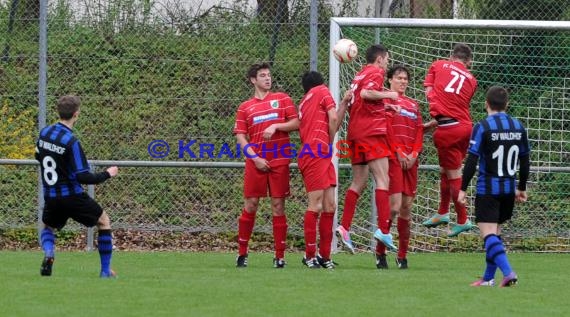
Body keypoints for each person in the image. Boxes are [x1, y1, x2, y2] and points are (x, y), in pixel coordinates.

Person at [35, 95, 119, 278]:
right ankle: (105, 271)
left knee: (47, 226)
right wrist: (108, 174)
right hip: (72, 195)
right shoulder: (71, 142)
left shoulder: (44, 134)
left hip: (51, 196)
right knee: (103, 221)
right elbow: (84, 176)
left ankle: (49, 253)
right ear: (76, 114)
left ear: (58, 112)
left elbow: (38, 156)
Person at [458, 86, 530, 287]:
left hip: (488, 190)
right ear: (507, 104)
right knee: (495, 235)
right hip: (508, 189)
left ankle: (508, 272)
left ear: (486, 104)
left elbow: (472, 160)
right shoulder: (518, 126)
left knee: (488, 234)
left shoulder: (482, 126)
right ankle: (488, 278)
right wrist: (521, 188)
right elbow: (525, 161)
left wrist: (463, 189)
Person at [335, 44, 400, 259]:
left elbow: (361, 101)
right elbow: (367, 93)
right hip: (372, 132)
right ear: (380, 59)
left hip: (355, 133)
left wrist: (384, 106)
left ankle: (344, 227)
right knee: (383, 180)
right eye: (387, 59)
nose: (387, 64)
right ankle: (383, 229)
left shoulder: (359, 74)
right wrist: (390, 95)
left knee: (359, 182)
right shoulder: (376, 72)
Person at [233, 62, 300, 268]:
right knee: (251, 204)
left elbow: (296, 123)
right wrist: (255, 159)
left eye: (269, 75)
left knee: (278, 206)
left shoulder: (282, 99)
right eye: (262, 75)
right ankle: (242, 253)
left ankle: (279, 256)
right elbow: (241, 138)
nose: (267, 78)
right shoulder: (245, 107)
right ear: (253, 80)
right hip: (256, 161)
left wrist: (276, 125)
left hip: (279, 159)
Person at [421, 43, 478, 237]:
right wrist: (436, 120)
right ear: (468, 62)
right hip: (464, 127)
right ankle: (443, 212)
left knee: (454, 176)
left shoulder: (438, 65)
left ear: (451, 56)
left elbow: (429, 91)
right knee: (445, 170)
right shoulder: (472, 80)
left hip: (448, 131)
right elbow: (454, 107)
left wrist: (434, 106)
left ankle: (463, 219)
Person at [297, 71, 351, 269]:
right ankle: (309, 255)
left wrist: (344, 102)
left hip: (318, 153)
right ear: (320, 83)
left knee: (330, 206)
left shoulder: (304, 101)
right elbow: (333, 120)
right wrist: (328, 143)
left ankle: (324, 256)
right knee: (316, 205)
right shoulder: (322, 90)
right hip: (316, 152)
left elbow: (333, 120)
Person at [375, 65, 423, 269]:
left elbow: (419, 130)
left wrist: (414, 153)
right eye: (398, 77)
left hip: (411, 160)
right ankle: (380, 252)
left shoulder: (413, 105)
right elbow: (385, 129)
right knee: (393, 208)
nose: (402, 81)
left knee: (406, 210)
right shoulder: (385, 101)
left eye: (405, 78)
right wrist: (398, 151)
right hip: (394, 158)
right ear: (389, 81)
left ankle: (402, 256)